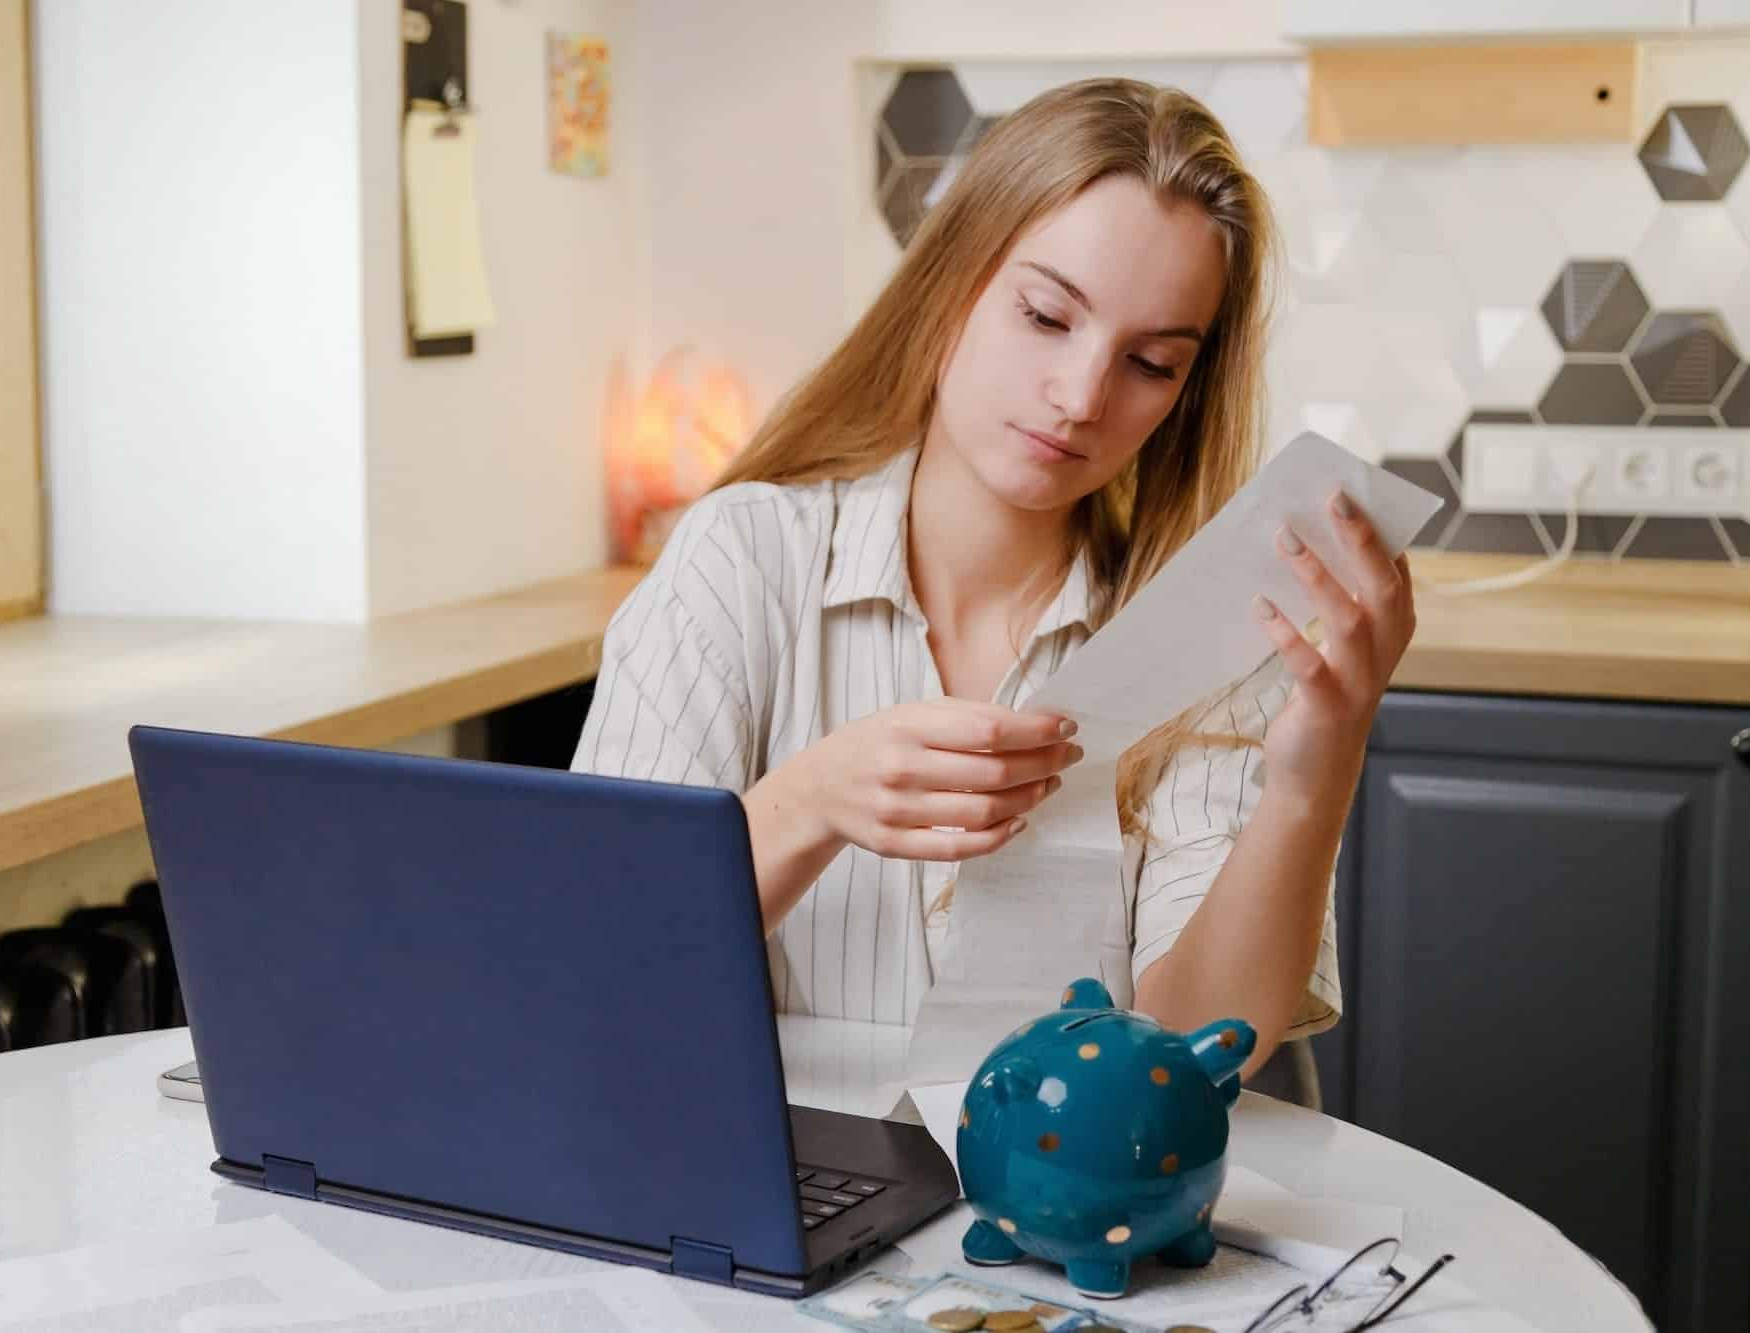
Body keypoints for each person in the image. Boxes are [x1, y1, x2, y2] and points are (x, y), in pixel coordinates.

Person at [569, 78, 1416, 1093]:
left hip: (1069, 1218)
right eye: (1045, 316)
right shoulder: (739, 559)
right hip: (790, 1197)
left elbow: (1199, 1045)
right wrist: (807, 800)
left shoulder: (1207, 635)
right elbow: (589, 954)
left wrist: (1309, 782)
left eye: (1148, 362)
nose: (1079, 396)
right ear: (949, 289)